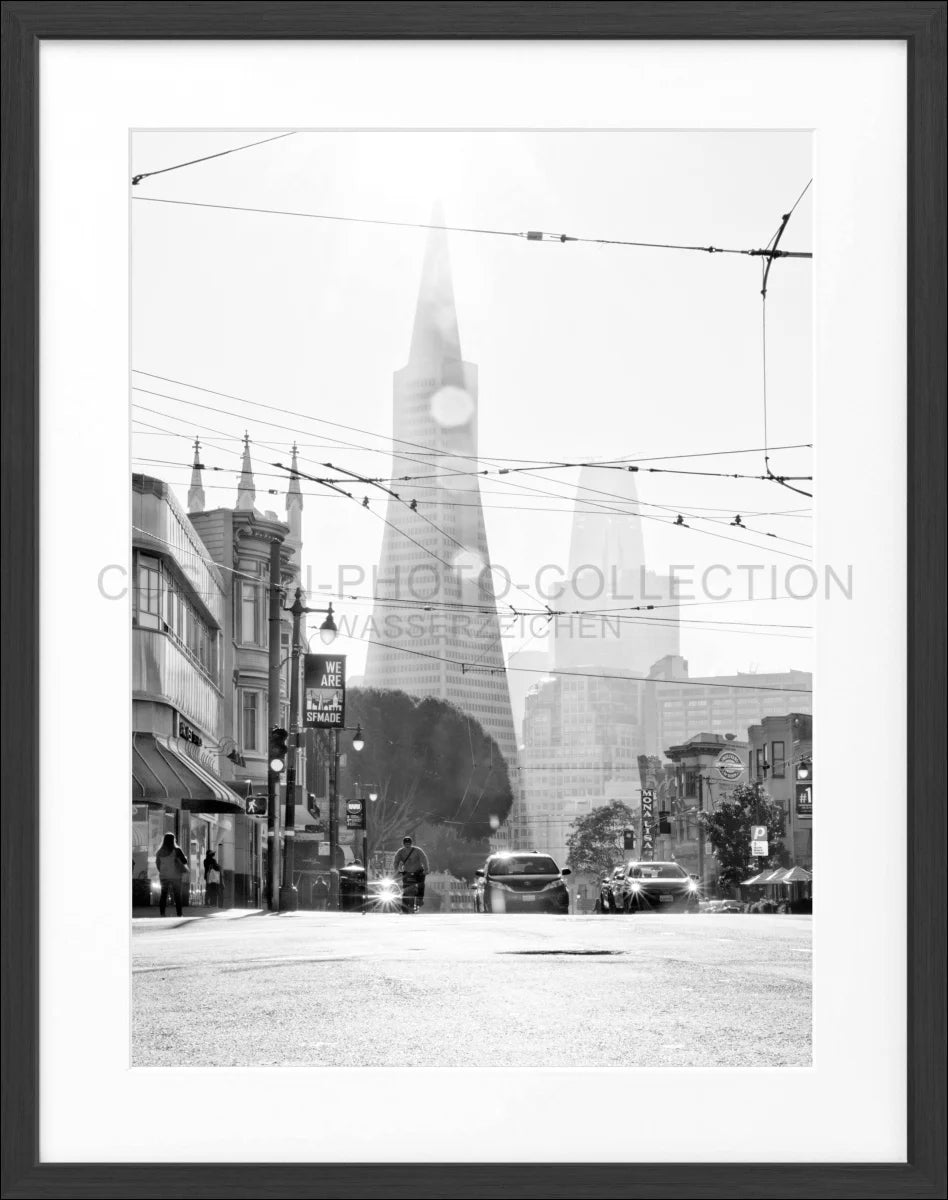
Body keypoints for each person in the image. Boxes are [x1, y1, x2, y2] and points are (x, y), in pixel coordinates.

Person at [393, 836, 429, 913]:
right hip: (409, 873)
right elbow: (396, 862)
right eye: (406, 844)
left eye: (408, 844)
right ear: (403, 844)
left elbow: (424, 859)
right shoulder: (401, 852)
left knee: (420, 885)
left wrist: (426, 869)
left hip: (417, 872)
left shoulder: (416, 851)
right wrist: (397, 871)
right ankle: (416, 901)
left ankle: (419, 899)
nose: (407, 846)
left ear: (411, 844)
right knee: (407, 888)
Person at [156, 833, 188, 917]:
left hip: (163, 876)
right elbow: (184, 861)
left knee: (163, 895)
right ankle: (179, 914)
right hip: (176, 876)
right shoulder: (177, 850)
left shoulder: (159, 852)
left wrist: (162, 871)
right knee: (177, 895)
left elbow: (157, 864)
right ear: (173, 840)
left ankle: (162, 913)